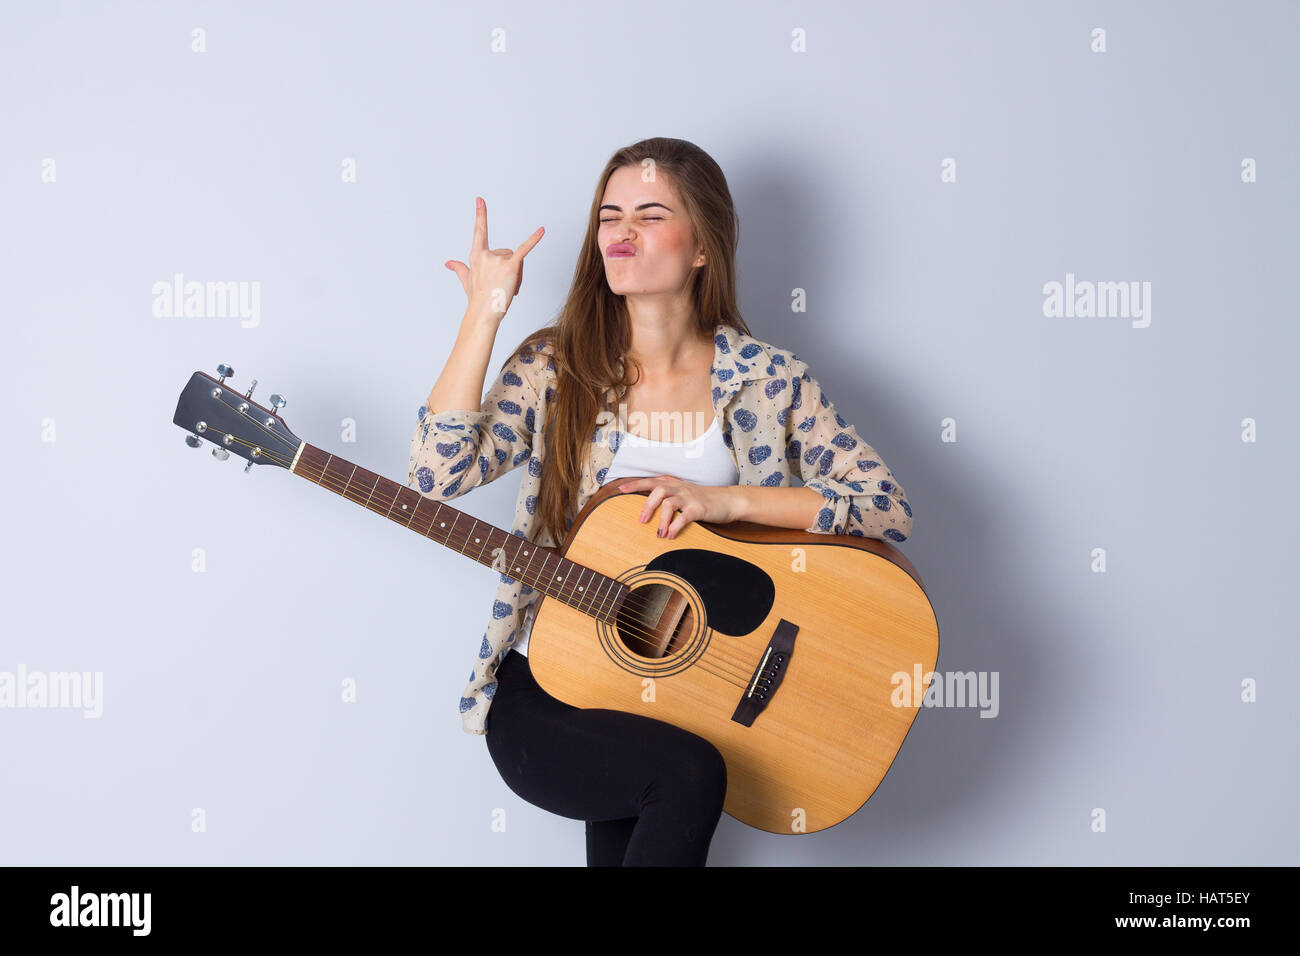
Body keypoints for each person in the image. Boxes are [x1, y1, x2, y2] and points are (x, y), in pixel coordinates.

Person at [408, 137, 914, 866]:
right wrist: (485, 314)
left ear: (702, 245)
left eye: (649, 214)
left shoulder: (769, 380)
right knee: (684, 774)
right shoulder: (557, 367)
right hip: (550, 688)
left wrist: (725, 503)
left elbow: (885, 508)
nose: (620, 231)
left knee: (669, 769)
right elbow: (435, 472)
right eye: (609, 215)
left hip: (672, 694)